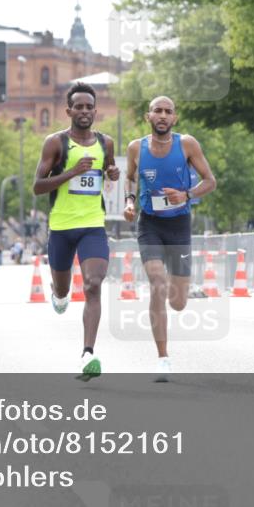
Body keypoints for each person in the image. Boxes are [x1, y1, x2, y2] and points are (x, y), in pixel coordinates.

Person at [124, 96, 217, 382]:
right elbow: (130, 178)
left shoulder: (187, 144)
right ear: (147, 116)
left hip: (178, 225)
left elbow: (210, 181)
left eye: (168, 112)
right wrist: (129, 201)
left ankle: (182, 288)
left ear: (174, 118)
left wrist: (186, 195)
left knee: (177, 302)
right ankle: (163, 358)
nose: (162, 115)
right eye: (157, 111)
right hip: (149, 223)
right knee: (157, 283)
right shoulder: (135, 148)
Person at [32, 82, 120, 380]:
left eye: (89, 107)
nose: (84, 112)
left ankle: (87, 353)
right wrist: (71, 172)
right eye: (78, 107)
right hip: (61, 227)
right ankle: (59, 294)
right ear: (68, 111)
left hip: (93, 225)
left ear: (96, 111)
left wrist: (112, 173)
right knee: (62, 289)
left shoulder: (106, 142)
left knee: (94, 284)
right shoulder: (56, 143)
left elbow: (107, 169)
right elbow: (37, 187)